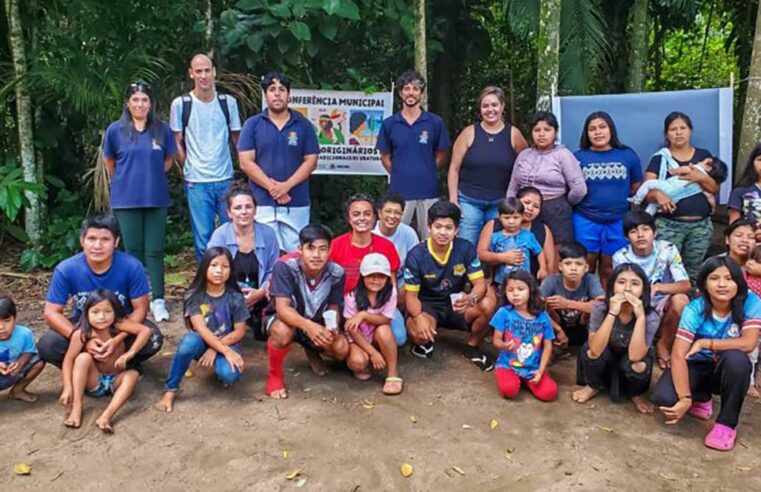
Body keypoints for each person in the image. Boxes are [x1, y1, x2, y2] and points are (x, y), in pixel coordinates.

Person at [651, 256, 761, 451]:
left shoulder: (751, 302)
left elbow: (748, 343)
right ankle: (700, 398)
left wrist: (706, 343)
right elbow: (678, 355)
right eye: (714, 278)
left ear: (738, 282)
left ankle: (726, 424)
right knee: (664, 397)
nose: (722, 284)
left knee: (738, 360)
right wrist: (685, 398)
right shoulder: (695, 308)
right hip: (698, 364)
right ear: (704, 284)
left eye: (729, 278)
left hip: (726, 364)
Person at [40, 214, 163, 370]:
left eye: (105, 240)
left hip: (120, 324)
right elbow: (51, 313)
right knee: (47, 345)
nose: (97, 246)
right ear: (82, 241)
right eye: (91, 239)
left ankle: (124, 364)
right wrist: (81, 338)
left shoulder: (132, 266)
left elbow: (141, 308)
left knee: (153, 339)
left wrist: (118, 339)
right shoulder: (66, 269)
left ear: (116, 242)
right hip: (85, 325)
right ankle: (83, 367)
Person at [103, 81, 177, 322]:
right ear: (128, 103)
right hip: (126, 199)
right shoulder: (116, 130)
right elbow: (111, 164)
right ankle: (135, 299)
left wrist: (152, 176)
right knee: (131, 251)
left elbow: (168, 160)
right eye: (135, 99)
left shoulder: (161, 129)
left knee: (154, 251)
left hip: (155, 197)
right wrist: (128, 181)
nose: (140, 104)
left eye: (144, 100)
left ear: (151, 103)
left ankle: (158, 300)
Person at [155, 248, 249, 413]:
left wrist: (215, 348)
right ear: (204, 267)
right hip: (203, 341)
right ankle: (170, 390)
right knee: (188, 342)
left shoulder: (235, 296)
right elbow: (201, 329)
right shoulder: (194, 295)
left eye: (225, 266)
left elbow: (240, 331)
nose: (219, 271)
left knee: (230, 375)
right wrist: (220, 348)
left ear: (231, 270)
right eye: (213, 265)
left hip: (228, 342)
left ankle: (219, 368)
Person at [403, 200, 493, 370]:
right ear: (429, 227)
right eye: (438, 227)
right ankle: (423, 341)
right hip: (428, 306)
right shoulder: (416, 254)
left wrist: (471, 298)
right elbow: (411, 297)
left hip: (455, 304)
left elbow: (480, 285)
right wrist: (418, 317)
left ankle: (472, 347)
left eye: (448, 228)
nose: (442, 232)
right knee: (417, 332)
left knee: (489, 302)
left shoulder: (465, 248)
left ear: (456, 230)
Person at [170, 54, 242, 262]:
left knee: (233, 233)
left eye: (207, 70)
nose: (203, 75)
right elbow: (177, 140)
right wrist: (188, 167)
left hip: (225, 178)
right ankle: (206, 286)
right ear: (191, 73)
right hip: (197, 182)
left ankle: (234, 283)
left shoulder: (228, 102)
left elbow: (237, 138)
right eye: (198, 71)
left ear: (214, 72)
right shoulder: (181, 104)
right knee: (203, 239)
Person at [264, 224, 349, 399]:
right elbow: (282, 309)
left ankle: (311, 350)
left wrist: (331, 327)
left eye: (322, 249)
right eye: (310, 248)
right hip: (284, 319)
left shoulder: (337, 272)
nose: (317, 255)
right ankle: (275, 375)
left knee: (340, 348)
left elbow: (333, 305)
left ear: (330, 250)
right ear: (300, 249)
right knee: (282, 332)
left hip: (316, 321)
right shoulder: (285, 267)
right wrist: (309, 326)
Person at [238, 72, 319, 252]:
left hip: (296, 201)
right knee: (263, 253)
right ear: (265, 95)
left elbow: (311, 161)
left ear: (289, 95)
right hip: (262, 202)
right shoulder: (253, 124)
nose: (277, 94)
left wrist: (286, 186)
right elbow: (245, 162)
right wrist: (273, 188)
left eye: (282, 90)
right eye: (272, 89)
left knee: (297, 254)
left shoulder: (303, 124)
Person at [643, 111, 727, 282]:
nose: (678, 132)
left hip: (700, 227)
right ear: (667, 134)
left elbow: (715, 188)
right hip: (668, 225)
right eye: (673, 129)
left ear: (690, 131)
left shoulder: (704, 157)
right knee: (664, 273)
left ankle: (690, 307)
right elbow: (647, 191)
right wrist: (659, 195)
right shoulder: (660, 159)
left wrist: (701, 177)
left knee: (693, 274)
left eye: (683, 128)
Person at [572, 264, 661, 413]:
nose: (627, 288)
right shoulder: (600, 308)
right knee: (591, 352)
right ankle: (593, 385)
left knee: (638, 365)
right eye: (621, 282)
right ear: (612, 286)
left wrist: (640, 318)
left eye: (635, 283)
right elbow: (595, 348)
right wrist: (612, 313)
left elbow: (635, 356)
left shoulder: (650, 317)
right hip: (606, 354)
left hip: (629, 357)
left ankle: (636, 393)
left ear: (644, 290)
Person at [60, 289, 151, 432]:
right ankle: (76, 409)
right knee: (82, 358)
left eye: (108, 312)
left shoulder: (118, 325)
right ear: (86, 313)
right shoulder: (82, 333)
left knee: (133, 374)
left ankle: (106, 416)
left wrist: (129, 354)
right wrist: (67, 387)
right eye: (95, 312)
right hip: (94, 381)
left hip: (116, 380)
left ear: (115, 312)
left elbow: (145, 331)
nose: (102, 317)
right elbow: (69, 359)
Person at [447, 86, 528, 245]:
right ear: (480, 108)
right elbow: (453, 168)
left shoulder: (514, 134)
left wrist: (520, 198)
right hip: (469, 200)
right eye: (485, 106)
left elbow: (526, 164)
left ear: (502, 106)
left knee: (497, 248)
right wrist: (453, 199)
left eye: (494, 105)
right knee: (466, 246)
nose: (490, 109)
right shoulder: (469, 133)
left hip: (501, 202)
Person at [376, 70, 450, 239]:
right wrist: (400, 172)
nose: (411, 92)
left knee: (430, 238)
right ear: (400, 93)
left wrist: (426, 169)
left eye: (415, 89)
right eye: (406, 88)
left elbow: (442, 153)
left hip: (428, 190)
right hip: (400, 191)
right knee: (396, 238)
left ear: (421, 93)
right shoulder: (390, 124)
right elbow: (385, 156)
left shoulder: (435, 122)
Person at [612, 211, 690, 369]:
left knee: (681, 300)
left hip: (661, 301)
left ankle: (664, 344)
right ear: (627, 237)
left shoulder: (667, 249)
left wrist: (659, 287)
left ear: (655, 233)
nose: (640, 235)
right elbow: (619, 290)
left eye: (645, 229)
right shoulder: (621, 257)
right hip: (634, 301)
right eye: (633, 231)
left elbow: (685, 285)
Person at [573, 112, 642, 287]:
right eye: (592, 129)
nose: (598, 132)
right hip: (585, 219)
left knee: (610, 268)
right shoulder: (578, 157)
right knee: (585, 266)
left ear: (611, 129)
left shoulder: (627, 155)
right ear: (586, 134)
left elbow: (636, 186)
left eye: (602, 127)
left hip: (618, 220)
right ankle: (584, 309)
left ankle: (609, 305)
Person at [207, 183, 279, 337]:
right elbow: (211, 271)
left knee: (270, 333)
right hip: (228, 295)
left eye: (248, 207)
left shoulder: (268, 234)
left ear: (255, 210)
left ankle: (257, 321)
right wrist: (237, 297)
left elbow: (274, 269)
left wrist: (260, 292)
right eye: (238, 208)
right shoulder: (220, 235)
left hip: (262, 295)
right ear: (229, 212)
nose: (244, 212)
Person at [506, 111, 587, 249]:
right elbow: (513, 185)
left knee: (556, 252)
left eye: (547, 130)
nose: (541, 134)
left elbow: (579, 190)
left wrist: (562, 203)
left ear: (555, 132)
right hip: (523, 209)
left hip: (555, 210)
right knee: (523, 249)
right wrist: (510, 207)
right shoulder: (524, 155)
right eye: (537, 130)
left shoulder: (564, 155)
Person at [490, 270, 557, 402]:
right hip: (508, 365)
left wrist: (540, 371)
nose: (515, 293)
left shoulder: (542, 316)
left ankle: (527, 379)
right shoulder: (504, 312)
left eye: (521, 289)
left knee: (550, 393)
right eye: (510, 290)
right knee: (508, 391)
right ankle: (510, 376)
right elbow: (496, 341)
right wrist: (504, 345)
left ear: (531, 290)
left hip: (533, 367)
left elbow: (548, 345)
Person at [343, 254, 402, 395]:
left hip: (376, 333)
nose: (376, 280)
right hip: (358, 337)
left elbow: (386, 319)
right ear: (363, 276)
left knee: (384, 331)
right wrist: (373, 353)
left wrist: (364, 315)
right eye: (371, 276)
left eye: (381, 276)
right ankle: (370, 358)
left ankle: (392, 373)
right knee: (358, 363)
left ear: (387, 277)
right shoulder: (352, 296)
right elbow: (352, 329)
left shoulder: (390, 292)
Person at [329, 194, 401, 295]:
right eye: (356, 214)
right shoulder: (336, 245)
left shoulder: (387, 246)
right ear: (349, 219)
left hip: (379, 304)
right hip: (342, 303)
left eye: (367, 214)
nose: (362, 218)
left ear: (374, 218)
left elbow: (392, 288)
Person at [540, 243, 604, 349]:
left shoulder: (591, 280)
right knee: (545, 306)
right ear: (560, 266)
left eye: (579, 264)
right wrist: (558, 330)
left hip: (583, 326)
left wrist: (568, 304)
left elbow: (602, 305)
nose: (573, 268)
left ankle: (592, 348)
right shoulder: (551, 281)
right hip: (557, 326)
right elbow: (535, 307)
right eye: (568, 264)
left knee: (596, 312)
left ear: (586, 267)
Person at [488, 198, 547, 286]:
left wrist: (543, 268)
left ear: (522, 217)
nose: (511, 221)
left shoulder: (528, 236)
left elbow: (539, 251)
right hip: (501, 281)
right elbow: (491, 260)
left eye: (516, 217)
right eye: (507, 218)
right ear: (500, 218)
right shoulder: (495, 237)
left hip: (525, 280)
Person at [0, 296, 45, 402]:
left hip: (12, 372)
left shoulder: (24, 333)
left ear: (15, 319)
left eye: (7, 320)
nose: (1, 327)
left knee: (39, 360)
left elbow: (28, 352)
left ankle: (17, 390)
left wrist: (20, 363)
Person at [728, 143, 761, 233]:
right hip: (750, 243)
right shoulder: (740, 191)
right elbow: (733, 226)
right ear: (752, 162)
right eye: (760, 160)